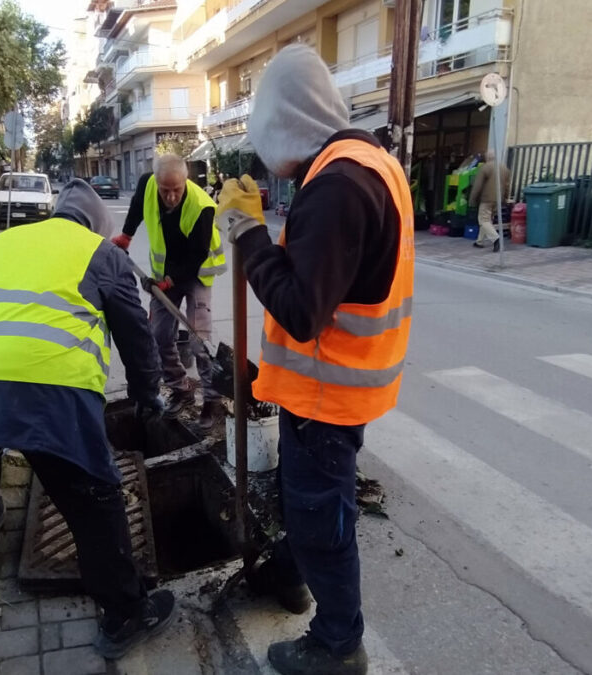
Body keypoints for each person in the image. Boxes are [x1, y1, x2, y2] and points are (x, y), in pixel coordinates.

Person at [215, 45, 415, 675]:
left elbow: (303, 310)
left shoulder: (337, 185)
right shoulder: (365, 163)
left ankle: (336, 644)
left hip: (327, 393)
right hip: (338, 385)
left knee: (319, 514)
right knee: (310, 503)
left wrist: (248, 234)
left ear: (288, 122)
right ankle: (289, 576)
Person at [0, 179, 175, 660]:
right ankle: (125, 615)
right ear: (98, 228)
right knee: (91, 493)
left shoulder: (1, 243)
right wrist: (148, 397)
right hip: (45, 386)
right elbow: (137, 340)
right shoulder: (101, 254)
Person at [110, 154, 227, 431]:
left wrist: (168, 284)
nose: (171, 196)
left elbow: (196, 255)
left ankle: (212, 401)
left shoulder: (201, 207)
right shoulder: (147, 185)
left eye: (177, 189)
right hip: (165, 273)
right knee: (159, 335)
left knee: (200, 340)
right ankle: (180, 387)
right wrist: (126, 235)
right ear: (156, 182)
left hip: (196, 272)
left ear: (185, 181)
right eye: (166, 190)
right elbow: (138, 206)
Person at [470, 147, 511, 251]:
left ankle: (496, 239)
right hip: (498, 199)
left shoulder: (485, 168)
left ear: (487, 157)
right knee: (488, 220)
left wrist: (472, 199)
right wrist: (505, 198)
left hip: (486, 199)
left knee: (483, 220)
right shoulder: (504, 168)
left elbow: (477, 186)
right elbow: (507, 186)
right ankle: (479, 241)